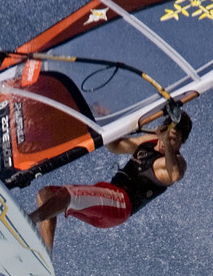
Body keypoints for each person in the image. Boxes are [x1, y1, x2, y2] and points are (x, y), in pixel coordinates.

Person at [26, 107, 190, 253]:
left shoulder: (177, 161)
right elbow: (116, 146)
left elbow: (174, 174)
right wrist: (107, 120)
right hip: (107, 197)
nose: (166, 141)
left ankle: (28, 222)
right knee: (46, 194)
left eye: (173, 139)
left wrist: (166, 143)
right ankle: (44, 255)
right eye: (166, 135)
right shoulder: (149, 143)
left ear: (181, 143)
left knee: (67, 197)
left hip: (120, 205)